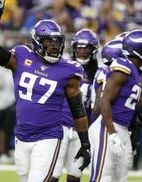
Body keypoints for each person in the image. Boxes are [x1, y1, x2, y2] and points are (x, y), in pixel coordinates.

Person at [0, 0, 91, 181]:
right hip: (22, 136)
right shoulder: (21, 57)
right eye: (49, 42)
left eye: (57, 42)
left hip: (48, 137)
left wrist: (85, 142)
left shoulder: (68, 69)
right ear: (37, 42)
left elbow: (77, 110)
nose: (54, 47)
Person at [89, 30, 142, 181]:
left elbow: (133, 106)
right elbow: (104, 101)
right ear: (139, 49)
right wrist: (113, 134)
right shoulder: (123, 65)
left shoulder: (136, 72)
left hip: (123, 129)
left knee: (120, 178)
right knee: (103, 175)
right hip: (108, 127)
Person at [51, 29, 99, 182]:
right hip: (61, 125)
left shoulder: (99, 71)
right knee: (53, 172)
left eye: (86, 48)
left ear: (94, 49)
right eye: (79, 47)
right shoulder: (63, 65)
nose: (82, 51)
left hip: (82, 130)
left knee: (75, 174)